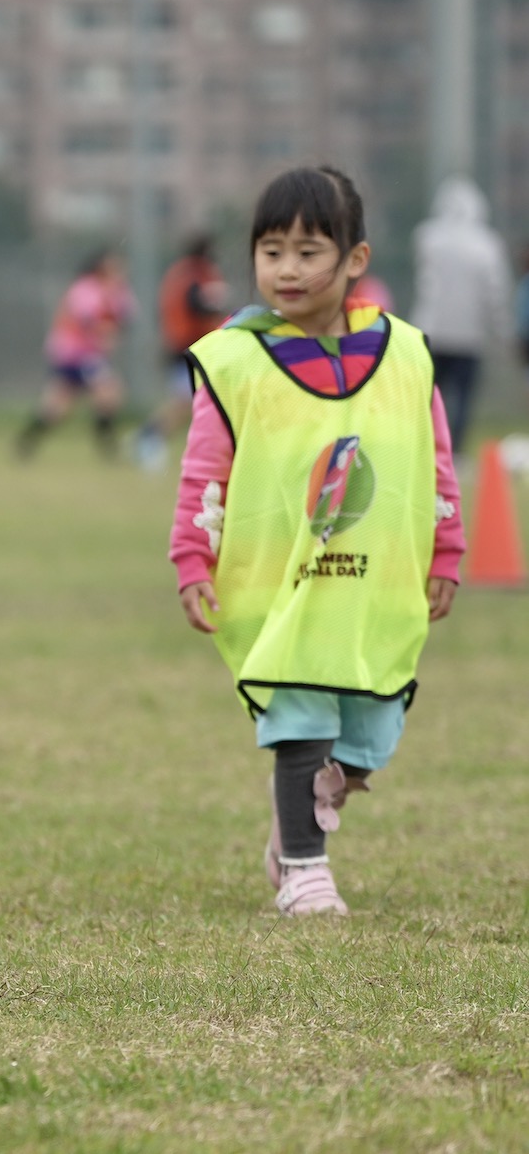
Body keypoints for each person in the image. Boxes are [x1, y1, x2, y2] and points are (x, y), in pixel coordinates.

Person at [174, 166, 463, 917]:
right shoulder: (234, 361)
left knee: (363, 735)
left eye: (307, 250)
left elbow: (432, 458)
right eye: (270, 251)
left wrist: (446, 548)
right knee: (300, 707)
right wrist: (191, 558)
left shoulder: (404, 354)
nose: (286, 269)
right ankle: (304, 868)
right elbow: (203, 470)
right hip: (282, 581)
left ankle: (291, 821)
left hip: (375, 579)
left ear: (353, 259)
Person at [409, 176, 512, 452]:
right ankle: (456, 452)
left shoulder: (427, 237)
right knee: (462, 397)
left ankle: (426, 447)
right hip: (469, 335)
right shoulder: (488, 245)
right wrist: (502, 331)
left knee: (430, 394)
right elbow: (495, 293)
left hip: (432, 331)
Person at [17, 250, 132, 460]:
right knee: (109, 391)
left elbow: (125, 317)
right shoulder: (85, 287)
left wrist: (113, 327)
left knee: (58, 406)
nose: (119, 270)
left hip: (85, 353)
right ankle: (108, 447)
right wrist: (105, 331)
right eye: (114, 265)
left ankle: (26, 441)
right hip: (75, 352)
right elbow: (87, 319)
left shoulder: (115, 290)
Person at [135, 233, 231, 468]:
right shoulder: (194, 276)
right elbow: (196, 305)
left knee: (192, 400)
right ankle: (148, 437)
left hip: (184, 344)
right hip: (189, 346)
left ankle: (150, 437)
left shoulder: (180, 272)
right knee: (184, 402)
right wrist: (218, 304)